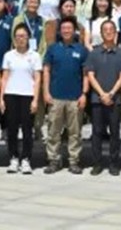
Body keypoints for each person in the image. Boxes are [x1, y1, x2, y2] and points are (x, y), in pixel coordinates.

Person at [42, 17, 88, 174]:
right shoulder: (53, 48)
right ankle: (53, 160)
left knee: (75, 132)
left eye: (69, 28)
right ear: (59, 31)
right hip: (55, 97)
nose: (66, 31)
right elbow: (46, 71)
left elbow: (86, 74)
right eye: (64, 28)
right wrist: (46, 92)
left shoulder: (81, 50)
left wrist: (84, 94)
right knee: (53, 131)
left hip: (75, 98)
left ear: (74, 31)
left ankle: (74, 161)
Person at [83, 19, 121, 175]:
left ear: (115, 33)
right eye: (105, 30)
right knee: (97, 132)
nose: (108, 32)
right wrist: (102, 93)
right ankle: (97, 163)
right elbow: (90, 75)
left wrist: (112, 93)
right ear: (101, 33)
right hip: (97, 99)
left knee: (115, 132)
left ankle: (114, 163)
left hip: (115, 99)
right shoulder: (94, 53)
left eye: (111, 29)